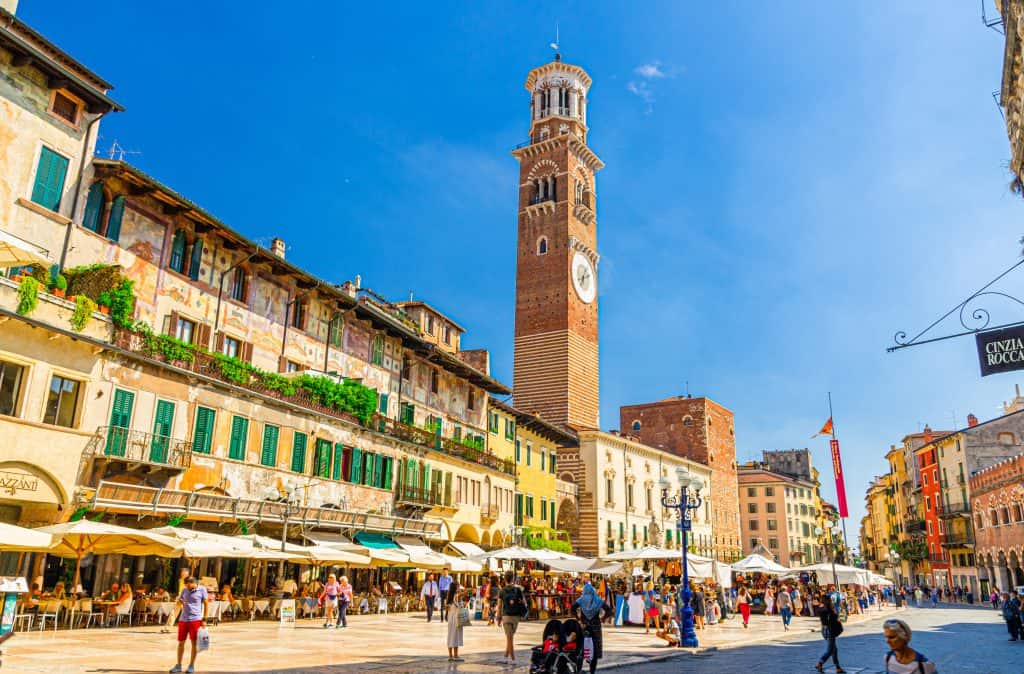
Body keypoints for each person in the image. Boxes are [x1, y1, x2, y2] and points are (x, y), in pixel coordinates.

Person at [169, 576, 209, 674]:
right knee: (181, 643)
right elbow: (179, 603)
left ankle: (191, 665)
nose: (187, 587)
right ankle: (178, 665)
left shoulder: (202, 590)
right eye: (186, 585)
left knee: (194, 643)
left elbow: (206, 604)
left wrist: (204, 619)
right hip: (183, 620)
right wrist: (180, 602)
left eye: (188, 585)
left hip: (195, 620)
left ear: (193, 582)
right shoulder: (184, 590)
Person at [574, 582, 612, 674]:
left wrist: (578, 619)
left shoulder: (581, 600)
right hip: (595, 628)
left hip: (584, 627)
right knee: (594, 651)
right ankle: (592, 672)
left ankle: (578, 670)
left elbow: (572, 608)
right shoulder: (598, 600)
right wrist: (602, 618)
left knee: (581, 650)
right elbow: (608, 610)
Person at [498, 572, 527, 665]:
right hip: (516, 617)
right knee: (510, 638)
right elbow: (524, 602)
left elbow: (499, 607)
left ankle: (513, 659)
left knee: (509, 639)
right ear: (513, 579)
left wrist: (498, 617)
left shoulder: (501, 591)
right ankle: (505, 658)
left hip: (506, 616)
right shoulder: (518, 590)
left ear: (505, 579)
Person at [814, 594, 845, 674]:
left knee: (834, 650)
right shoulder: (830, 610)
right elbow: (836, 619)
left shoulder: (820, 609)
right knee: (830, 650)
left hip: (824, 629)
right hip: (830, 630)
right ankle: (820, 663)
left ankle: (838, 667)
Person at [445, 580, 464, 662]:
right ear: (455, 588)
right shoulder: (456, 596)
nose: (460, 588)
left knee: (451, 636)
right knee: (456, 636)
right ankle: (455, 655)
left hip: (451, 618)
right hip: (456, 618)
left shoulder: (449, 596)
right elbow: (462, 595)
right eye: (458, 586)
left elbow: (448, 608)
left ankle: (450, 655)